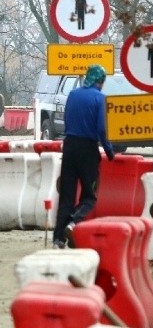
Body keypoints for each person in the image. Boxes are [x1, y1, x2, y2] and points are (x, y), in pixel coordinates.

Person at [53, 64, 115, 249]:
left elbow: (67, 120)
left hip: (69, 145)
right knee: (89, 196)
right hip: (88, 149)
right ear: (100, 81)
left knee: (66, 195)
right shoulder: (100, 98)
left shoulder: (73, 95)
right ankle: (73, 223)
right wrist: (109, 151)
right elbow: (102, 129)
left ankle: (58, 240)